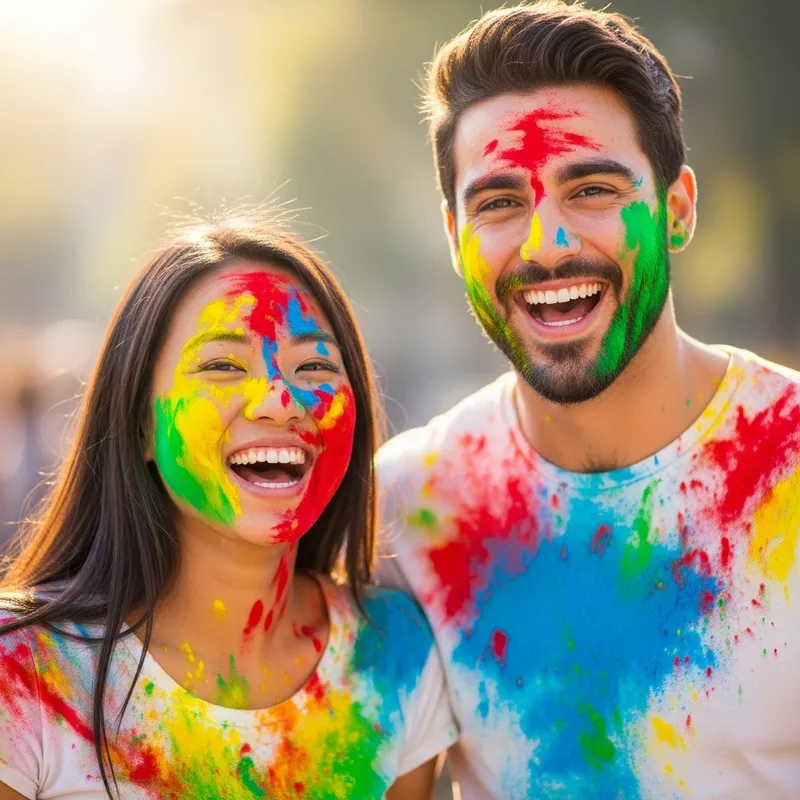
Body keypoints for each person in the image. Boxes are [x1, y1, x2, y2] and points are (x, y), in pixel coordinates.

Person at [376, 2, 800, 798]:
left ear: (676, 210)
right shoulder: (404, 511)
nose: (547, 244)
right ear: (453, 235)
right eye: (499, 203)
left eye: (593, 189)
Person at [0, 219, 457, 799]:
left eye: (314, 367)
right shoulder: (25, 673)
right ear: (142, 424)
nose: (279, 400)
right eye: (222, 367)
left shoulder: (393, 656)